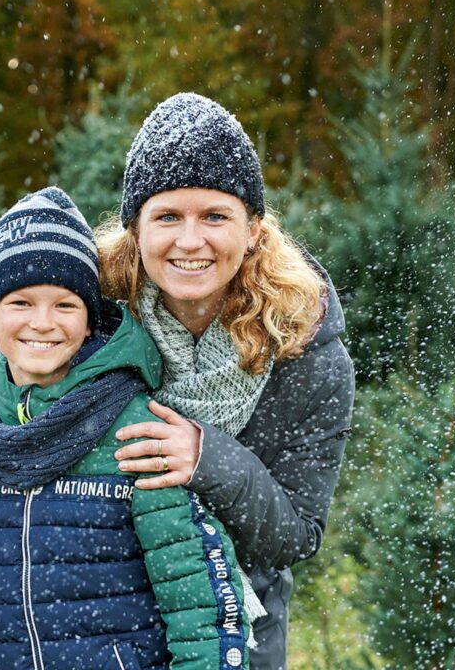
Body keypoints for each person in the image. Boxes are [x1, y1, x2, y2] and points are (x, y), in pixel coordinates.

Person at [0, 187, 261, 669]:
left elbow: (199, 601)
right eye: (20, 302)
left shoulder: (137, 429)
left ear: (90, 319)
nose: (43, 322)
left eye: (65, 305)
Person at [98, 93, 355, 670]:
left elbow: (296, 534)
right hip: (100, 619)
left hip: (239, 631)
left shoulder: (305, 346)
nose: (191, 241)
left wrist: (206, 457)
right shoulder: (94, 317)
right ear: (135, 228)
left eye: (215, 216)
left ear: (255, 230)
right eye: (167, 217)